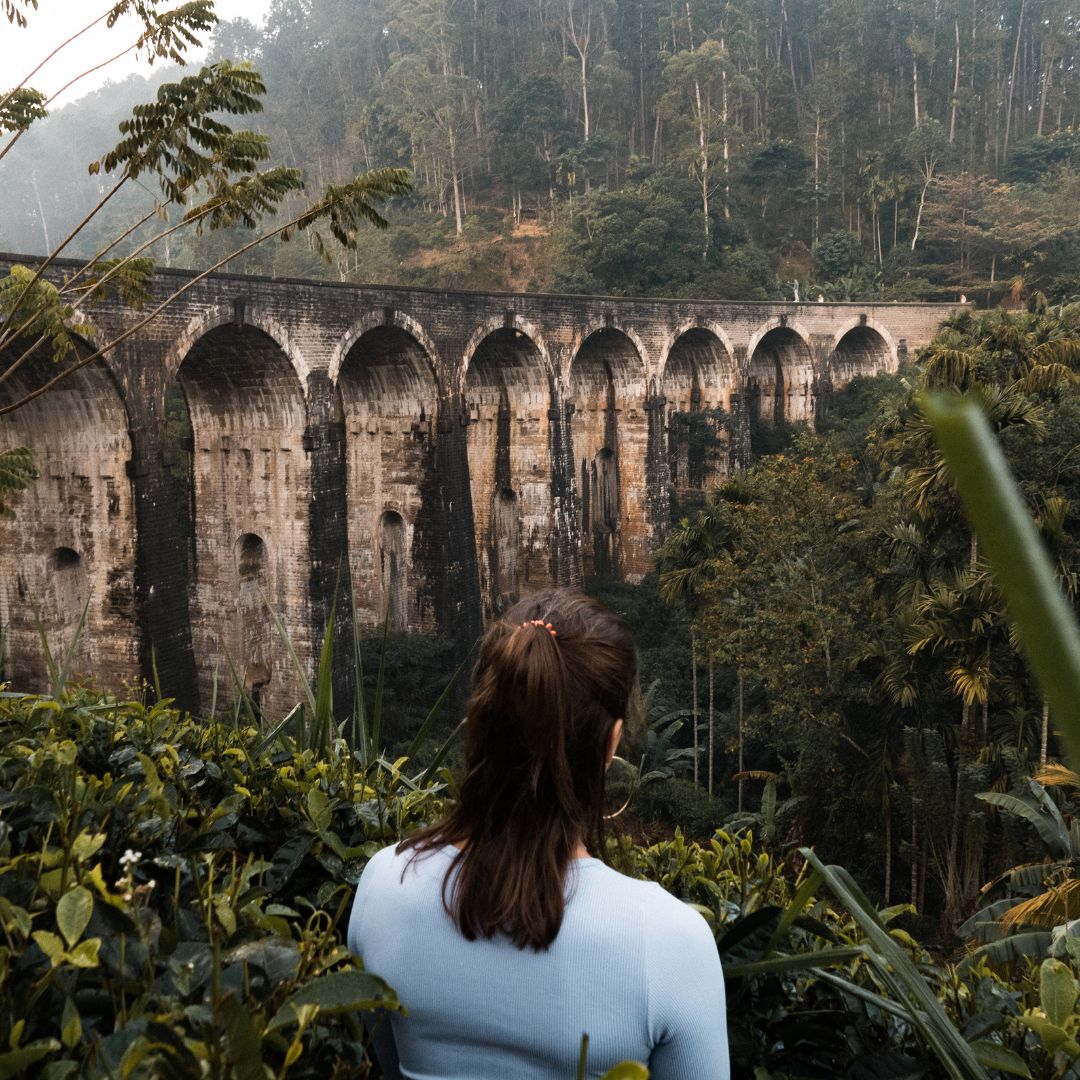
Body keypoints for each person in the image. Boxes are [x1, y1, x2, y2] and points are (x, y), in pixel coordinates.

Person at [347, 589, 729, 1079]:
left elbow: (387, 1058)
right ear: (610, 742)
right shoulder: (668, 944)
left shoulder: (384, 884)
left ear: (483, 718)